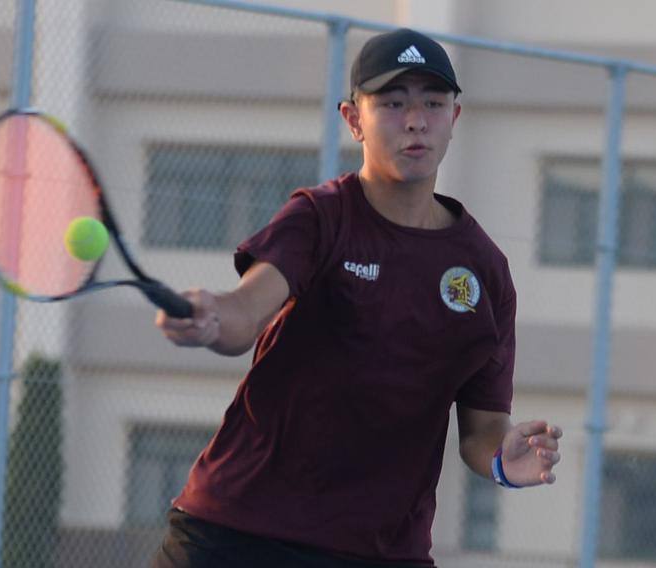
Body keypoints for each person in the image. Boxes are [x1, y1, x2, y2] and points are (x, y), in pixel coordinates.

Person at [151, 27, 563, 568]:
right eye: (393, 103)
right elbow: (244, 312)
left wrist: (503, 460)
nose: (415, 120)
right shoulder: (321, 218)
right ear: (353, 120)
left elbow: (482, 428)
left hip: (381, 551)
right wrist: (210, 319)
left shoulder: (485, 271)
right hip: (238, 532)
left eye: (432, 103)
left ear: (454, 119)